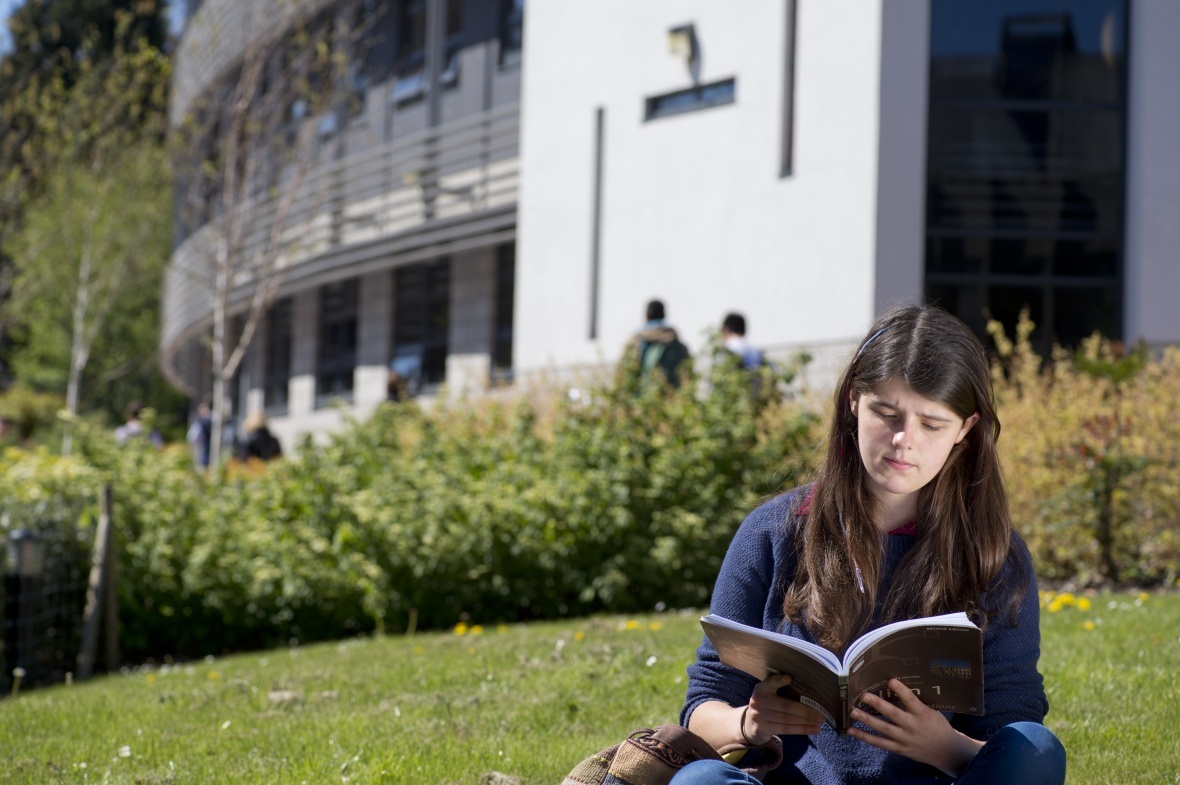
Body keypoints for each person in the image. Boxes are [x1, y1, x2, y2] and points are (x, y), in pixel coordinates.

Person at [671, 304, 1065, 785]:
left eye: (932, 424)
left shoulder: (994, 553)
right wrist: (748, 724)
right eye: (886, 412)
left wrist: (943, 746)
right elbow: (702, 707)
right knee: (700, 781)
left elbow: (1012, 735)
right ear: (853, 402)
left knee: (1037, 749)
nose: (904, 440)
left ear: (965, 430)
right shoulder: (772, 532)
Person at [623, 299, 692, 388]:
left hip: (642, 397)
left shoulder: (635, 342)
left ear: (646, 315)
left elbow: (623, 375)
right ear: (664, 315)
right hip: (673, 396)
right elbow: (688, 373)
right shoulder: (677, 344)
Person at [186, 400, 213, 470]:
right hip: (201, 446)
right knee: (201, 464)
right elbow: (193, 437)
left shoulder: (210, 420)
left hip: (210, 446)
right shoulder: (199, 423)